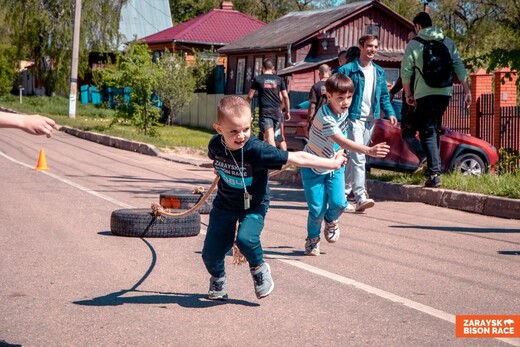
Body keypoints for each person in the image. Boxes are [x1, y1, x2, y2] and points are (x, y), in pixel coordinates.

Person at [202, 95, 347, 300]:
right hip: (225, 203)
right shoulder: (215, 145)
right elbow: (215, 159)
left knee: (246, 239)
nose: (241, 135)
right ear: (219, 129)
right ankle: (218, 279)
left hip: (254, 204)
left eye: (245, 129)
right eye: (233, 131)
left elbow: (298, 157)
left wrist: (333, 163)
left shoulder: (258, 150)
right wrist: (219, 169)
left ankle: (259, 268)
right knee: (211, 251)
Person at [302, 74, 390, 255]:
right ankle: (312, 239)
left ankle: (331, 219)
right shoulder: (325, 117)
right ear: (328, 96)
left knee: (340, 203)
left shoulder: (344, 111)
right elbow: (341, 140)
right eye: (340, 98)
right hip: (314, 166)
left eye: (349, 97)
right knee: (316, 209)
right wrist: (368, 150)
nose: (345, 102)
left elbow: (340, 143)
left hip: (335, 164)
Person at [401, 12, 471, 187]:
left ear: (417, 26)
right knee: (432, 128)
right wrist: (466, 89)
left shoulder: (414, 44)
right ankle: (434, 170)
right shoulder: (447, 41)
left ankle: (434, 174)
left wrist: (408, 93)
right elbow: (459, 65)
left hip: (424, 93)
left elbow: (406, 71)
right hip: (445, 92)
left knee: (429, 130)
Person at [337, 35, 397, 212]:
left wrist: (391, 113)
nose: (372, 49)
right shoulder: (348, 69)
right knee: (359, 156)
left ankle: (343, 194)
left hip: (371, 119)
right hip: (353, 117)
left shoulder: (379, 71)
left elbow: (384, 96)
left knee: (353, 158)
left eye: (376, 47)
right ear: (361, 47)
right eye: (369, 46)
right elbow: (333, 89)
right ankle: (360, 196)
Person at [389, 31, 427, 172]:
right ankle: (431, 165)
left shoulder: (410, 56)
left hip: (412, 102)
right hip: (427, 101)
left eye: (411, 39)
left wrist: (392, 92)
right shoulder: (429, 55)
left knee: (407, 133)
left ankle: (424, 157)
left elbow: (403, 77)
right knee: (425, 134)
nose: (408, 42)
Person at [247, 58, 290, 147]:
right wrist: (288, 111)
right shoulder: (279, 79)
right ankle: (272, 157)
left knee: (269, 137)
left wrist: (247, 111)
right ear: (273, 68)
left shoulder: (258, 79)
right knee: (275, 137)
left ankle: (273, 158)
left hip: (265, 112)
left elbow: (250, 96)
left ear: (262, 68)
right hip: (277, 112)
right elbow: (285, 96)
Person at [307, 64, 331, 130]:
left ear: (319, 73)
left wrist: (310, 119)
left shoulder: (315, 86)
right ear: (329, 72)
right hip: (332, 118)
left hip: (319, 118)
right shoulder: (334, 85)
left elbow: (312, 106)